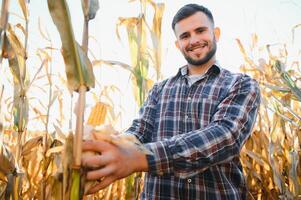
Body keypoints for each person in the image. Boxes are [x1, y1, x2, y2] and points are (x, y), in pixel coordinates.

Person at [82, 3, 261, 199]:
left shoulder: (241, 84)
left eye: (200, 31)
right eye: (185, 36)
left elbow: (225, 136)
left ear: (216, 33)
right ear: (178, 44)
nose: (193, 40)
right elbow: (139, 131)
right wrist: (113, 143)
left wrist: (142, 157)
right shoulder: (160, 89)